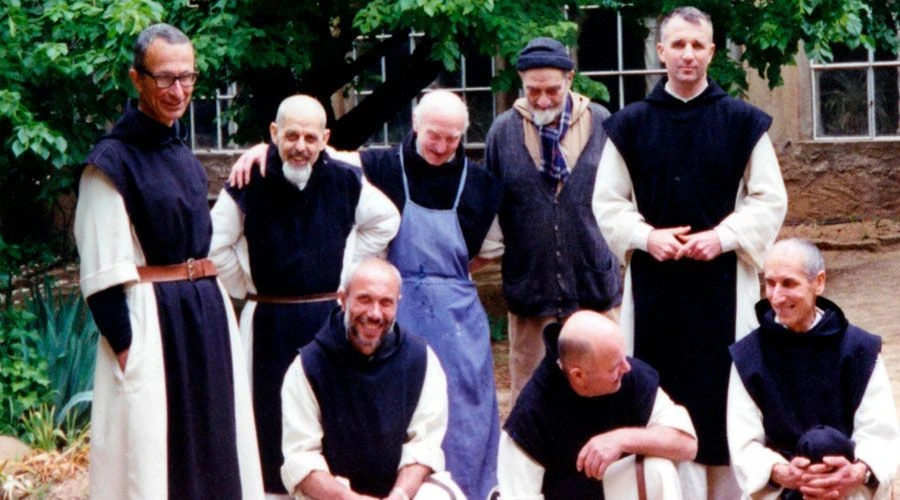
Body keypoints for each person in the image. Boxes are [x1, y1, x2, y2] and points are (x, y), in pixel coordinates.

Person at [228, 90, 502, 499]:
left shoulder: (481, 184)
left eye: (453, 138)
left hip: (456, 316)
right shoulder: (378, 164)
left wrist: (447, 277)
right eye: (434, 135)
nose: (442, 146)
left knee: (466, 416)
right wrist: (262, 151)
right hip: (394, 304)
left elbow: (492, 249)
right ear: (415, 125)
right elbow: (314, 150)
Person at [593, 6, 788, 497]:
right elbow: (608, 202)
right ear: (660, 51)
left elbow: (770, 198)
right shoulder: (630, 124)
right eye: (677, 44)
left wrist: (722, 237)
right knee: (663, 395)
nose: (687, 54)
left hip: (723, 288)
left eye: (697, 45)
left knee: (726, 404)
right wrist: (645, 237)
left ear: (712, 53)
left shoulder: (743, 121)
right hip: (656, 290)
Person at [73, 23, 263, 498]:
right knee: (156, 457)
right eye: (165, 78)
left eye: (188, 77)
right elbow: (102, 269)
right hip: (153, 327)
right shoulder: (110, 163)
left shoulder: (180, 153)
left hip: (203, 319)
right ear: (137, 79)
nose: (178, 91)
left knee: (214, 446)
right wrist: (126, 347)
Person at [209, 94, 400, 497]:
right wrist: (245, 284)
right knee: (269, 425)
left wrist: (346, 274)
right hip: (268, 325)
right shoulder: (250, 178)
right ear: (274, 133)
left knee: (331, 422)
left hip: (328, 322)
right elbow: (214, 245)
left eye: (311, 137)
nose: (300, 146)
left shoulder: (344, 178)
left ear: (325, 138)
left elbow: (385, 221)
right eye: (291, 135)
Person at [482, 37, 623, 404]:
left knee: (604, 396)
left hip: (593, 285)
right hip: (532, 288)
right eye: (533, 91)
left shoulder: (603, 122)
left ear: (571, 79)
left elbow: (622, 200)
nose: (542, 100)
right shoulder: (502, 132)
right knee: (532, 401)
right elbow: (491, 210)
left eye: (552, 91)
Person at [727, 238, 900, 500]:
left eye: (789, 283)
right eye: (770, 283)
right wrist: (780, 471)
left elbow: (879, 430)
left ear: (818, 282)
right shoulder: (749, 355)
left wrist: (857, 472)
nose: (776, 296)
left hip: (847, 488)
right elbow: (745, 442)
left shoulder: (858, 349)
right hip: (783, 489)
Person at [280, 258, 464, 499]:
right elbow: (301, 459)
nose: (375, 313)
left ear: (397, 304)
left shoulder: (421, 360)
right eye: (364, 299)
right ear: (343, 299)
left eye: (386, 302)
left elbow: (424, 446)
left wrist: (398, 496)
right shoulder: (308, 366)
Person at [499, 310, 697, 499]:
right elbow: (518, 494)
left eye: (623, 358)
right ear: (579, 375)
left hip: (611, 490)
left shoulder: (630, 376)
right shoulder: (531, 412)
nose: (626, 368)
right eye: (615, 366)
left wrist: (621, 439)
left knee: (658, 470)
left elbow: (687, 445)